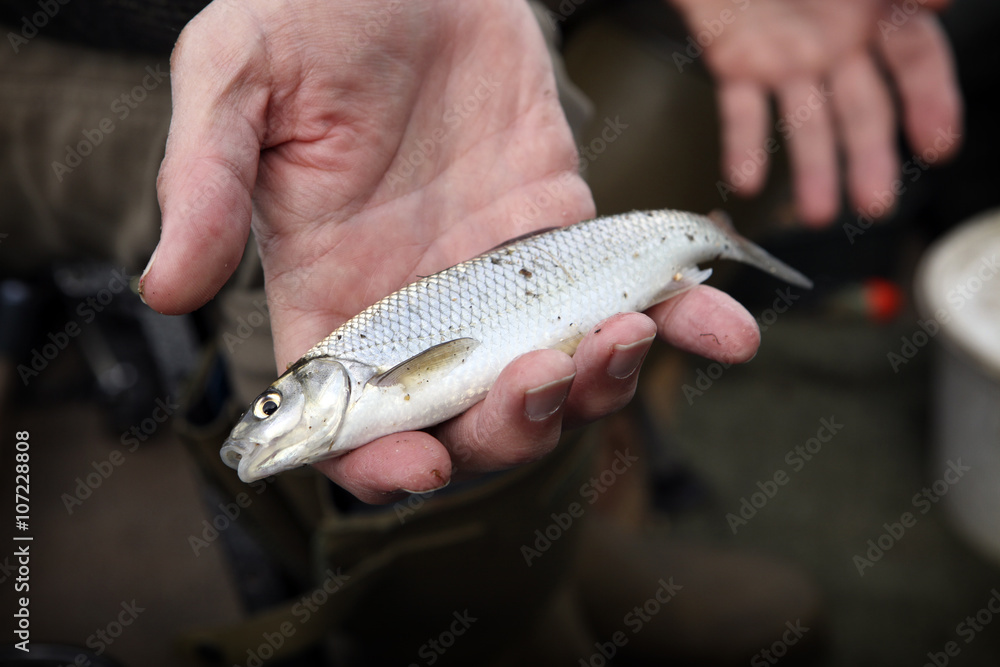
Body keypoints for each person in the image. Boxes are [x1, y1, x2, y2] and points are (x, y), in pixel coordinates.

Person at [137, 0, 962, 502]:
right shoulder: (357, 385)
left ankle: (558, 547)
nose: (263, 427)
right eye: (270, 414)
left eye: (273, 410)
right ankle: (509, 571)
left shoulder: (361, 377)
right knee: (499, 423)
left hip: (536, 44)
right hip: (98, 52)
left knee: (580, 374)